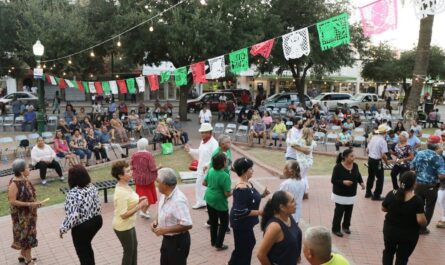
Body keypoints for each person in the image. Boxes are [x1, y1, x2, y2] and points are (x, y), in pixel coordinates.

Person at [59, 165, 103, 265]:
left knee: (83, 252)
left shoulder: (73, 193)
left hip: (83, 227)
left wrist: (63, 228)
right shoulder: (92, 187)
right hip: (97, 220)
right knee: (86, 246)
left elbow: (73, 216)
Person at [228, 157, 268, 265]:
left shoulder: (248, 183)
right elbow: (240, 211)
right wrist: (261, 212)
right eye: (250, 168)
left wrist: (262, 195)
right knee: (244, 247)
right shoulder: (241, 188)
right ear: (243, 171)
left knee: (247, 245)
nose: (252, 170)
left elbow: (250, 198)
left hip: (245, 223)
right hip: (240, 223)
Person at [382, 171, 427, 265]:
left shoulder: (392, 193)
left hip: (390, 231)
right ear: (414, 184)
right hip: (408, 234)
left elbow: (383, 208)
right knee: (402, 257)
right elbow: (420, 220)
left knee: (388, 253)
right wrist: (425, 222)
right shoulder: (417, 200)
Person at [151, 168, 193, 265]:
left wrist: (165, 230)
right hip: (168, 240)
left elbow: (188, 224)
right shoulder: (165, 194)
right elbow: (163, 210)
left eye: (158, 181)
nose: (156, 184)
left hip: (178, 242)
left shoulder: (178, 201)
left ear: (165, 184)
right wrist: (156, 221)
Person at [112, 160, 148, 265]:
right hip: (123, 226)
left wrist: (139, 199)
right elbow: (123, 215)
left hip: (129, 224)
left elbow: (129, 201)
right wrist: (139, 206)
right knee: (128, 252)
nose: (131, 172)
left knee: (133, 249)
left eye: (130, 169)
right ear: (120, 175)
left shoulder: (125, 185)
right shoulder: (120, 192)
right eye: (127, 171)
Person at [8, 159, 43, 265]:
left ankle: (22, 255)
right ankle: (28, 260)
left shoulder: (25, 179)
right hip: (22, 216)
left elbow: (31, 195)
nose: (29, 169)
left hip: (30, 213)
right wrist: (30, 204)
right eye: (27, 167)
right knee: (27, 235)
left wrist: (36, 202)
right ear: (22, 170)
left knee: (29, 234)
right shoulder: (14, 183)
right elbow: (12, 201)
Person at [410, 135, 445, 234]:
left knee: (418, 206)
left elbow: (412, 166)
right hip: (431, 187)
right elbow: (442, 176)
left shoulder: (419, 153)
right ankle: (423, 228)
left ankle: (415, 225)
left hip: (418, 185)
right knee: (429, 209)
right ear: (437, 144)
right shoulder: (438, 158)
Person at [257, 190, 301, 265]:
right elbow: (260, 255)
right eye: (292, 201)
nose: (295, 203)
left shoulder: (289, 216)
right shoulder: (274, 227)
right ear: (282, 207)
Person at [331, 149, 365, 237]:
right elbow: (333, 180)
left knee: (349, 211)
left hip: (351, 194)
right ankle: (336, 229)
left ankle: (346, 227)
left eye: (354, 156)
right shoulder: (338, 167)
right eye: (351, 156)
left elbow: (358, 175)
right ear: (345, 157)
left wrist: (361, 183)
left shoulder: (355, 165)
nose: (354, 158)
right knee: (339, 212)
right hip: (340, 194)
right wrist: (343, 182)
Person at [185, 123, 219, 209]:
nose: (202, 134)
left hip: (209, 169)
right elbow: (199, 152)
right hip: (201, 169)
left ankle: (210, 204)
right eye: (201, 132)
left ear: (209, 132)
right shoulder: (202, 141)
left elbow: (215, 157)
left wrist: (208, 165)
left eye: (204, 132)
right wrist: (190, 150)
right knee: (198, 185)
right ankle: (201, 202)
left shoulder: (214, 143)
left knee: (209, 187)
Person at [203, 153, 231, 250]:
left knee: (213, 221)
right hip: (219, 201)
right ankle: (219, 244)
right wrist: (234, 191)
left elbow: (204, 182)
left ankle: (213, 241)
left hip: (209, 197)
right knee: (224, 223)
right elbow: (227, 193)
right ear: (223, 163)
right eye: (226, 160)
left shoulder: (210, 170)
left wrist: (213, 187)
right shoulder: (225, 176)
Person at [131, 138, 160, 219]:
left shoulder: (134, 155)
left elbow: (132, 166)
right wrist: (159, 167)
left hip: (138, 180)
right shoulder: (148, 155)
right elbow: (152, 168)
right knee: (149, 197)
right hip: (148, 180)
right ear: (146, 145)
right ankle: (143, 212)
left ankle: (143, 210)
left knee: (141, 195)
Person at [366, 124, 389, 201]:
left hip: (370, 159)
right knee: (380, 178)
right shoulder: (383, 141)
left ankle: (368, 192)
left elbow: (367, 150)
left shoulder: (373, 137)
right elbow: (383, 155)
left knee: (371, 176)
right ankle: (376, 195)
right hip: (377, 161)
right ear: (385, 132)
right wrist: (386, 163)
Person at [279, 160, 305, 224]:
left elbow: (278, 197)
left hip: (286, 214)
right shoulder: (303, 182)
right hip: (297, 213)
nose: (283, 170)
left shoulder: (286, 184)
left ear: (290, 171)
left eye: (285, 168)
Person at [294, 128, 317, 199]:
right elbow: (314, 147)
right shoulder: (313, 142)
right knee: (303, 177)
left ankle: (300, 193)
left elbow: (291, 144)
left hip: (301, 162)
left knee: (299, 177)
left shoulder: (300, 140)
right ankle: (305, 192)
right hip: (309, 162)